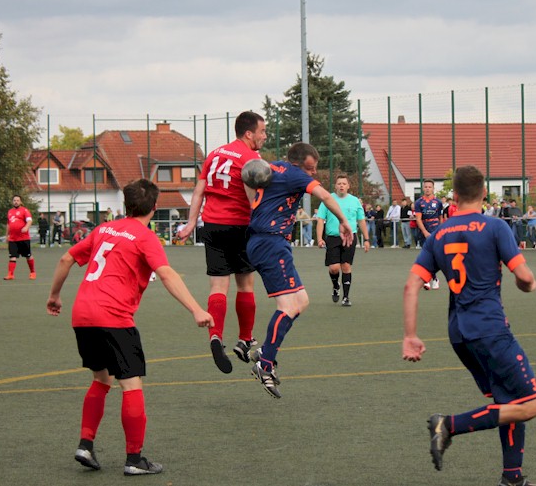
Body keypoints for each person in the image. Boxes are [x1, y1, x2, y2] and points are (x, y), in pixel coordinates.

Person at [46, 179, 214, 476]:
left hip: (82, 315)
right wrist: (196, 309)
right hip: (113, 316)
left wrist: (55, 295)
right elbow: (167, 275)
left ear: (126, 204)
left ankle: (85, 444)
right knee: (131, 385)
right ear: (155, 207)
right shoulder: (145, 237)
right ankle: (134, 459)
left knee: (101, 379)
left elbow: (66, 258)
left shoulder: (103, 229)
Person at [402, 165, 536, 486]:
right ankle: (449, 424)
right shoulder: (495, 227)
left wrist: (410, 335)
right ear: (483, 193)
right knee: (531, 405)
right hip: (490, 329)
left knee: (509, 402)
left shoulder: (439, 234)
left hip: (459, 334)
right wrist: (529, 284)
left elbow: (412, 286)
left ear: (453, 196)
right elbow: (524, 276)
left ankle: (512, 478)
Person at [245, 143, 354, 398]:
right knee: (287, 306)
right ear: (298, 163)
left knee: (301, 301)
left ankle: (265, 352)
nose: (312, 173)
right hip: (270, 242)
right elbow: (326, 197)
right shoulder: (293, 174)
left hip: (267, 242)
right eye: (310, 168)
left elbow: (249, 178)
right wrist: (345, 222)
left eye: (314, 169)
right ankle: (265, 363)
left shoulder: (272, 168)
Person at [177, 110, 266, 373]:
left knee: (218, 285)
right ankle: (245, 338)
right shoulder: (251, 158)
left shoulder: (214, 154)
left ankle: (215, 335)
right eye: (262, 131)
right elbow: (253, 198)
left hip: (212, 226)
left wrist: (191, 223)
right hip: (239, 226)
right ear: (248, 133)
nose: (264, 136)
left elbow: (199, 190)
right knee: (246, 284)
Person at [316, 174, 369, 307]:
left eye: (344, 184)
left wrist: (367, 239)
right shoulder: (327, 199)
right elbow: (320, 220)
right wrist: (319, 238)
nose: (341, 186)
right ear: (335, 186)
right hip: (333, 237)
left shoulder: (355, 201)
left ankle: (346, 297)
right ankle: (335, 286)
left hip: (349, 237)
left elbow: (361, 220)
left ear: (348, 186)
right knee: (334, 268)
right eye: (339, 183)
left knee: (346, 266)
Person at [415, 180, 443, 289]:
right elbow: (418, 219)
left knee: (434, 256)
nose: (427, 189)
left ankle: (430, 279)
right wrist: (425, 232)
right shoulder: (419, 202)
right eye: (425, 187)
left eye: (429, 187)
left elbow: (440, 217)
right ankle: (431, 279)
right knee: (426, 256)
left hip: (435, 230)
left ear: (433, 188)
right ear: (423, 188)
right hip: (424, 231)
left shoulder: (438, 202)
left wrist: (440, 230)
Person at [4, 195, 36, 280]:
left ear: (20, 202)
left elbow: (29, 221)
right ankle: (10, 275)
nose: (16, 202)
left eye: (18, 200)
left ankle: (32, 272)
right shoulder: (10, 212)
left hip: (24, 238)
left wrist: (26, 227)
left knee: (28, 256)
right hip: (13, 239)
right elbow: (8, 224)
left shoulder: (25, 210)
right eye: (14, 200)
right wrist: (7, 235)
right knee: (12, 256)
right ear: (12, 202)